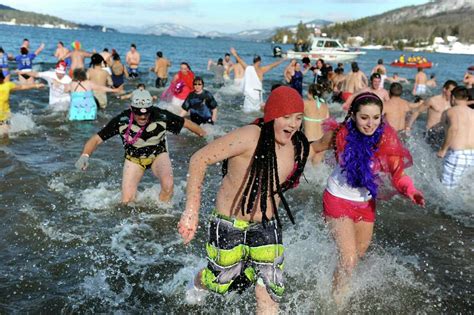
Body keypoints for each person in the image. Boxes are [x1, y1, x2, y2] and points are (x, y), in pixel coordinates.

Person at [178, 86, 309, 314]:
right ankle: (199, 282)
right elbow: (199, 159)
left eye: (298, 118)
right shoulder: (250, 135)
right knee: (221, 283)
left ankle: (254, 276)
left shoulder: (296, 145)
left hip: (267, 226)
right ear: (271, 116)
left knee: (269, 291)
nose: (293, 124)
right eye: (286, 117)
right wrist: (191, 212)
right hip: (229, 223)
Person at [311, 92, 424, 303]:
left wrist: (411, 191)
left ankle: (335, 287)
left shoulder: (386, 138)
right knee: (349, 259)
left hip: (365, 204)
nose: (370, 123)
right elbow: (314, 148)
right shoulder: (340, 134)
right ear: (353, 115)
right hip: (337, 198)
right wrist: (290, 173)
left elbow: (399, 176)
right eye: (364, 117)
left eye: (375, 117)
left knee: (357, 256)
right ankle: (336, 304)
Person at [75, 89, 205, 203]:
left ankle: (162, 214)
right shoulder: (121, 120)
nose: (142, 116)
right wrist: (85, 155)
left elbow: (186, 123)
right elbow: (96, 139)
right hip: (134, 159)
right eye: (138, 113)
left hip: (158, 155)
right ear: (132, 109)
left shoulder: (161, 115)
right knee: (126, 202)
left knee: (168, 185)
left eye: (146, 112)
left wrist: (204, 136)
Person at [437, 86, 474, 188]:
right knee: (466, 189)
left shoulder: (450, 111)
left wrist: (443, 149)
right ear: (466, 99)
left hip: (458, 155)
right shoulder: (473, 112)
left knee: (446, 190)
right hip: (472, 154)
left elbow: (453, 129)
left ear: (452, 98)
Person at [230, 47, 286, 112]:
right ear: (259, 61)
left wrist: (235, 54)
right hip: (257, 94)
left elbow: (240, 61)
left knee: (247, 111)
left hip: (249, 94)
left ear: (254, 61)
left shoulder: (248, 68)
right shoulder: (261, 70)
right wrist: (282, 60)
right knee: (257, 112)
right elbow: (272, 65)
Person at [0, 72, 44, 138]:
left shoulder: (7, 85)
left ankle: (6, 147)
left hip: (4, 117)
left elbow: (22, 86)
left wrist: (35, 85)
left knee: (5, 135)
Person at [304, 83, 330, 164]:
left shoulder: (305, 103)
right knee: (316, 170)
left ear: (310, 93)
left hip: (309, 140)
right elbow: (328, 123)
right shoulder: (325, 106)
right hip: (321, 141)